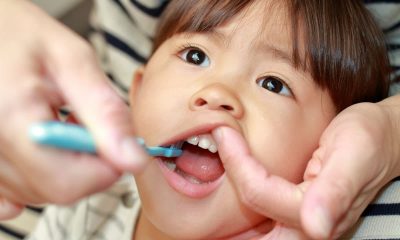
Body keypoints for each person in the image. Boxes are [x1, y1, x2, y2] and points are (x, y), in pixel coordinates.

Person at [0, 0, 399, 239]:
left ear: (321, 157)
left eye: (274, 84)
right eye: (196, 56)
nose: (219, 92)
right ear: (134, 94)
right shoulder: (89, 205)